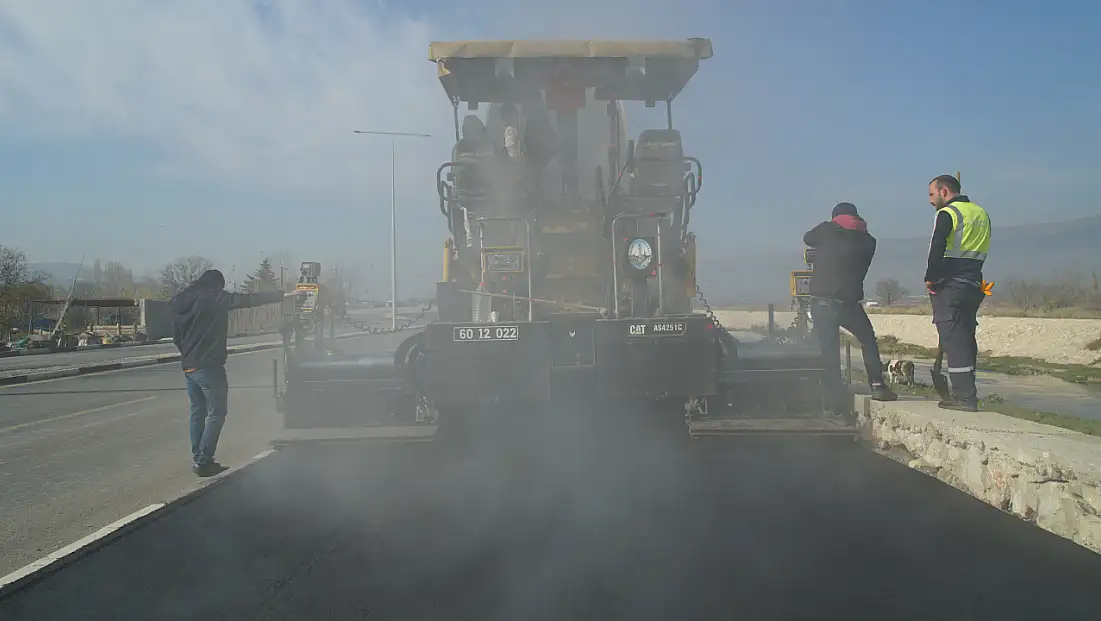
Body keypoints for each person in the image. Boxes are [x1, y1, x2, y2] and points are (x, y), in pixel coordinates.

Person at [171, 269, 303, 476]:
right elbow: (246, 300)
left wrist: (188, 355)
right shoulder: (213, 297)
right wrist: (282, 295)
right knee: (217, 412)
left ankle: (198, 457)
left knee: (198, 412)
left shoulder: (181, 301)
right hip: (209, 366)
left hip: (189, 367)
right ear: (216, 284)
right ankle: (204, 461)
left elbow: (176, 337)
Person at [804, 203, 898, 419]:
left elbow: (808, 238)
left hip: (823, 302)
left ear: (836, 217)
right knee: (867, 340)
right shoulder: (869, 241)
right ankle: (877, 385)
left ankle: (836, 407)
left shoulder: (826, 230)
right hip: (849, 302)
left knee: (829, 353)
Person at [925, 174, 991, 412]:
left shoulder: (947, 214)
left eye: (932, 194)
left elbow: (938, 246)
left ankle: (964, 397)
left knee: (954, 339)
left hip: (950, 284)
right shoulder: (981, 214)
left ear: (944, 191)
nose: (931, 201)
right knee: (965, 336)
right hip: (974, 283)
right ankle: (967, 391)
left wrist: (931, 277)